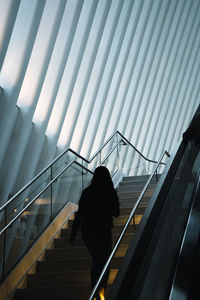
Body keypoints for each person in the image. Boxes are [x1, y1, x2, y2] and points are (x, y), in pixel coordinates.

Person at [69, 166, 120, 300]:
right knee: (104, 260)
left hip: (88, 231)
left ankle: (96, 289)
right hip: (103, 230)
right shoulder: (110, 191)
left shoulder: (87, 192)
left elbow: (79, 215)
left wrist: (73, 234)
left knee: (97, 259)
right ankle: (101, 287)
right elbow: (117, 213)